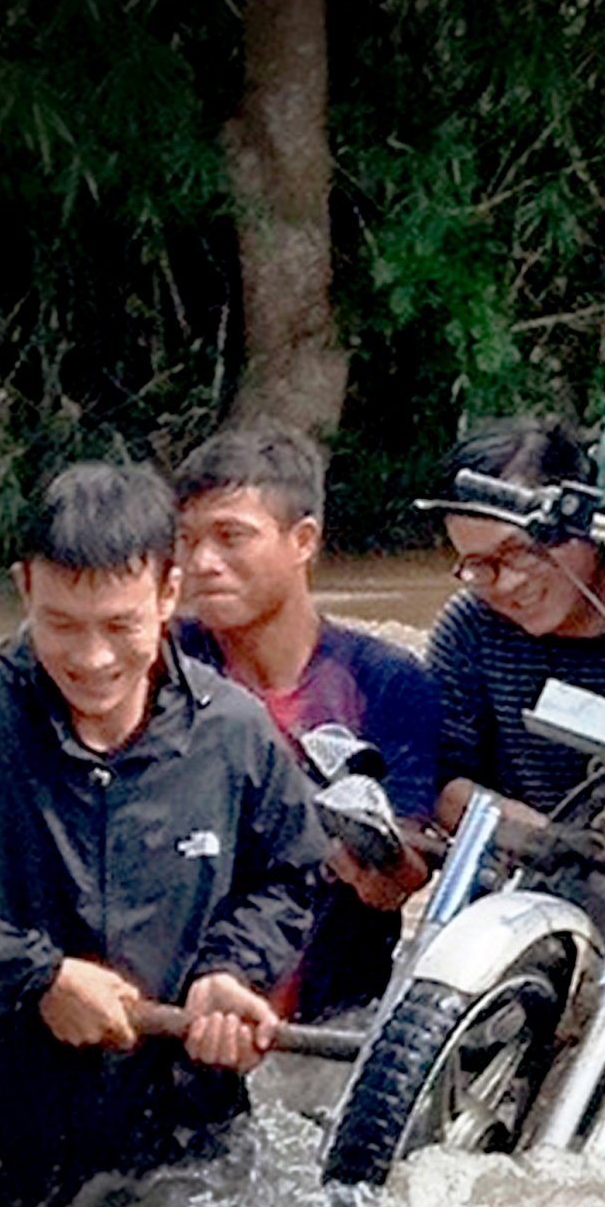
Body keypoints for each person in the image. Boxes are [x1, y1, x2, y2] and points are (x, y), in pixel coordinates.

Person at [0, 463, 329, 1207]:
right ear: (25, 588)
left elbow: (289, 874)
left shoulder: (235, 732)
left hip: (201, 1160)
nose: (92, 659)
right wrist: (37, 977)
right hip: (18, 1169)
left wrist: (230, 971)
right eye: (61, 624)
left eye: (121, 625)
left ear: (168, 594)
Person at [173, 426, 437, 1020]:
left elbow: (402, 876)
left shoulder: (388, 682)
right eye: (186, 540)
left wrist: (376, 860)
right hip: (184, 1007)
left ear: (303, 541)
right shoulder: (159, 666)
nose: (201, 563)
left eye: (230, 537)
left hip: (325, 1016)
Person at [424, 417, 605, 826]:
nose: (508, 583)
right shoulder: (471, 628)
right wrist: (548, 844)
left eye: (521, 551)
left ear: (584, 518)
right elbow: (443, 780)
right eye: (480, 566)